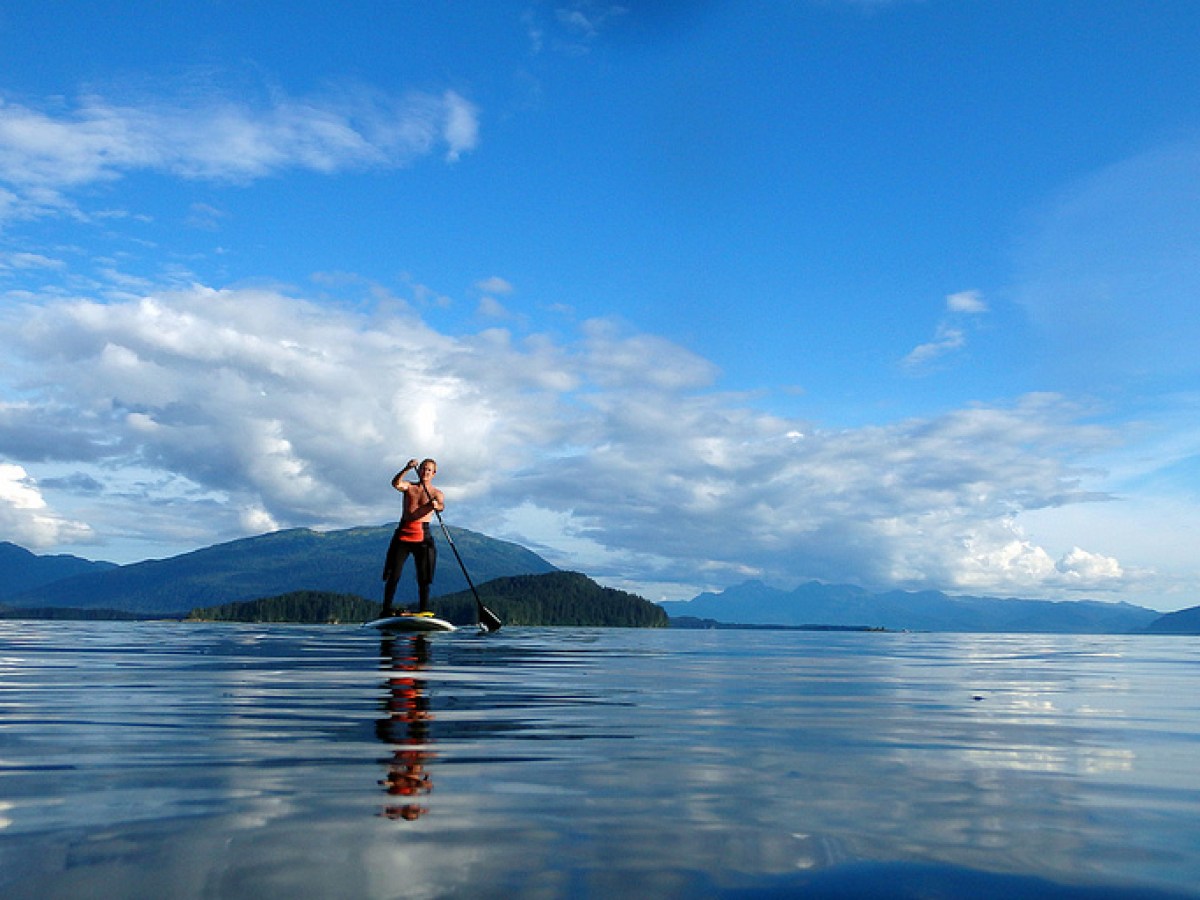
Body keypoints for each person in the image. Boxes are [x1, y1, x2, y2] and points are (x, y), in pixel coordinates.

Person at [380, 458, 444, 616]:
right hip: (403, 535)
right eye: (423, 468)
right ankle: (386, 609)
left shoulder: (436, 493)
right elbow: (395, 484)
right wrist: (407, 468)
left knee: (424, 577)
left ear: (433, 474)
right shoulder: (409, 486)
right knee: (393, 574)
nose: (425, 472)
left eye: (429, 470)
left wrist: (437, 506)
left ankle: (424, 610)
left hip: (423, 536)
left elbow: (441, 506)